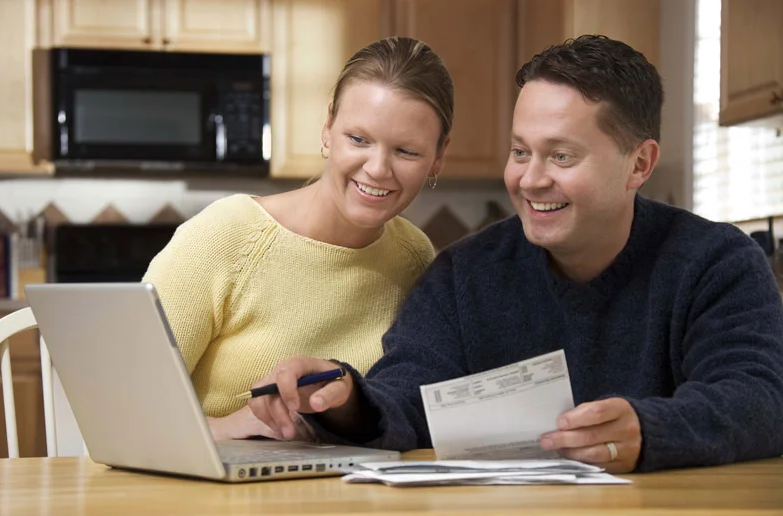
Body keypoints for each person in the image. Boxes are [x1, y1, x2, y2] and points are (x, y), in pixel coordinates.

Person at [246, 35, 783, 473]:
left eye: (562, 156)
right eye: (520, 151)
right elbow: (409, 395)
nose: (530, 179)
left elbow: (760, 399)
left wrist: (648, 430)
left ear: (639, 165)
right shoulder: (464, 273)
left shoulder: (716, 262)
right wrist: (345, 401)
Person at [143, 36, 453, 441]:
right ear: (328, 129)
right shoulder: (227, 237)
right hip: (210, 496)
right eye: (358, 139)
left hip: (348, 495)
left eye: (406, 151)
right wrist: (230, 428)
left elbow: (412, 408)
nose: (377, 168)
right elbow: (120, 410)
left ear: (439, 156)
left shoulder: (416, 258)